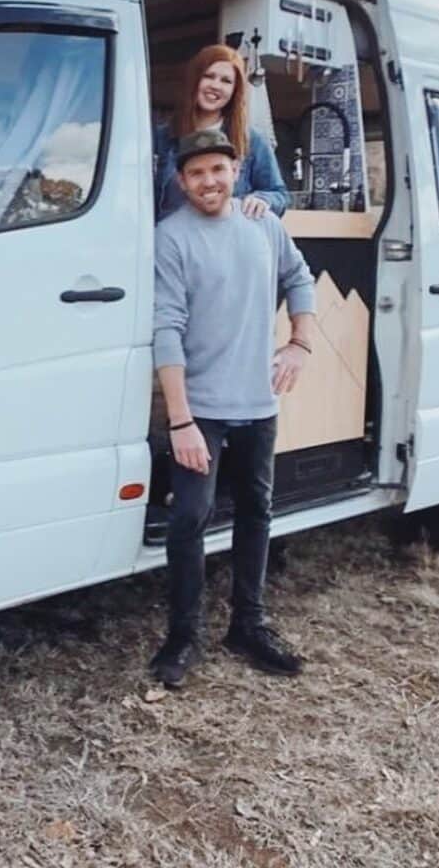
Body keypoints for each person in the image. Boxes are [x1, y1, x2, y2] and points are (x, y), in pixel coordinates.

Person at [150, 127, 316, 688]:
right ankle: (183, 636)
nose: (209, 181)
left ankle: (248, 624)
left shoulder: (263, 224)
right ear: (182, 181)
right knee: (188, 520)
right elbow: (166, 330)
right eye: (196, 173)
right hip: (201, 411)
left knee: (256, 511)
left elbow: (300, 278)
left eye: (217, 169)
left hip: (258, 403)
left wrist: (300, 342)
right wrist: (181, 421)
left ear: (235, 169)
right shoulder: (170, 237)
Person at [154, 45, 289, 221]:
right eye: (209, 76)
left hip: (227, 243)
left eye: (226, 81)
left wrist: (263, 200)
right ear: (194, 80)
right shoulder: (160, 138)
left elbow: (279, 195)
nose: (216, 86)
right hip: (172, 244)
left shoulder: (251, 140)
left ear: (235, 91)